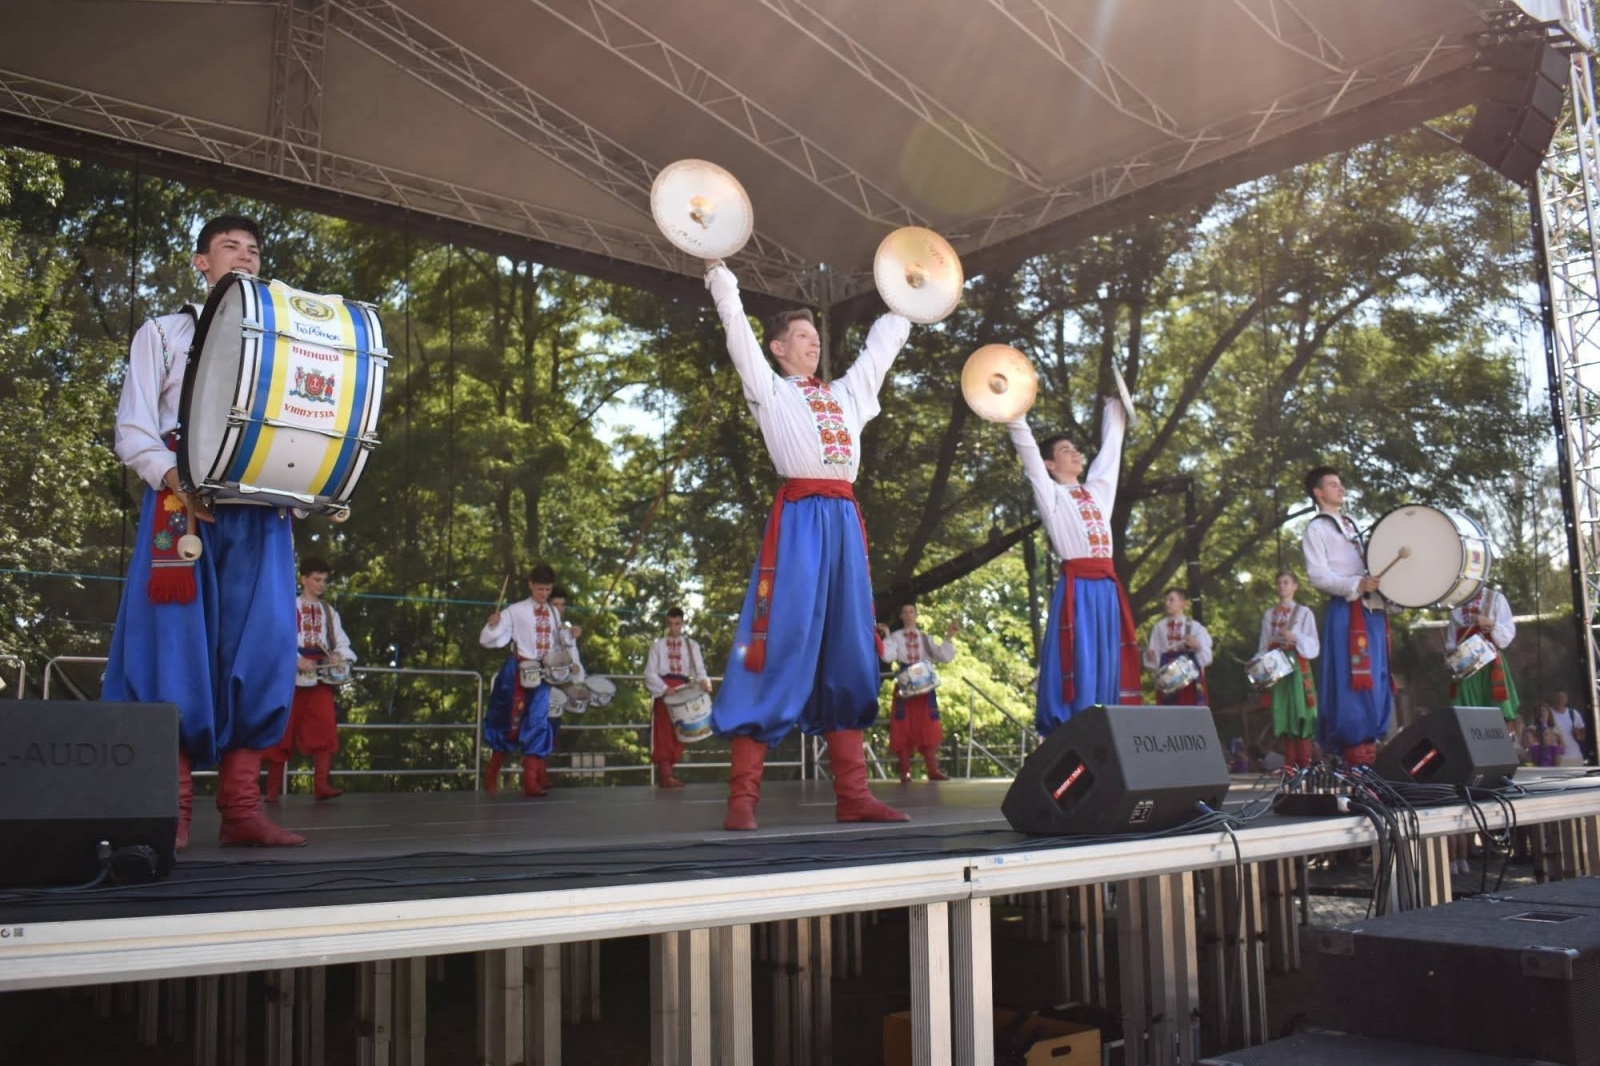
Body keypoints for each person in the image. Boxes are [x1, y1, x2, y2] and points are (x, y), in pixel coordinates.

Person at [102, 214, 304, 849]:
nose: (243, 258)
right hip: (180, 504)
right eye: (228, 248)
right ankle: (174, 809)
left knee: (265, 645)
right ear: (200, 262)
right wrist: (173, 478)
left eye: (252, 250)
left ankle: (242, 809)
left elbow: (310, 429)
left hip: (260, 505)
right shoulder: (161, 334)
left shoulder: (287, 344)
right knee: (173, 647)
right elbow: (133, 428)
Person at [703, 257, 911, 831]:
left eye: (816, 337)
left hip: (844, 519)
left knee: (849, 647)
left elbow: (880, 352)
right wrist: (718, 270)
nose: (813, 345)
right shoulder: (770, 391)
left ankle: (854, 793)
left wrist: (908, 299)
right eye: (801, 337)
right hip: (799, 521)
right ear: (777, 349)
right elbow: (736, 333)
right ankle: (742, 796)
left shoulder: (846, 397)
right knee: (776, 640)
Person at [1006, 399, 1142, 735]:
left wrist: (1116, 410)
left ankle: (1105, 730)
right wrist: (1013, 415)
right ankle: (1075, 731)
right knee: (1080, 661)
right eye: (1066, 450)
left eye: (1075, 448)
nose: (1075, 452)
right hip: (1079, 588)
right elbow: (1029, 457)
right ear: (1051, 463)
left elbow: (1111, 452)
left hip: (1106, 589)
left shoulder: (1097, 492)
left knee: (1106, 661)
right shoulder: (1051, 495)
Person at [1302, 465, 1393, 767]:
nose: (1340, 489)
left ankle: (1371, 753)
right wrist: (1356, 584)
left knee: (1377, 677)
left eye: (1340, 484)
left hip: (1372, 608)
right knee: (1354, 680)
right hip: (1348, 608)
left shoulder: (1352, 526)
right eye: (1332, 485)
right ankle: (1354, 761)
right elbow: (1318, 576)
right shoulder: (1317, 529)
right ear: (1318, 492)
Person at [480, 565, 582, 797]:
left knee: (538, 721)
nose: (544, 594)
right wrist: (493, 623)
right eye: (540, 589)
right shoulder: (515, 611)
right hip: (517, 671)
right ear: (530, 585)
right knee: (507, 721)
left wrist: (570, 636)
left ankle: (530, 781)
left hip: (543, 674)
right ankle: (492, 772)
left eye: (547, 590)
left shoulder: (554, 612)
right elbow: (488, 639)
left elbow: (558, 641)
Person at [264, 557, 354, 802]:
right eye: (316, 579)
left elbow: (343, 643)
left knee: (325, 726)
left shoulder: (329, 611)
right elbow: (277, 637)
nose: (321, 584)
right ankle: (271, 791)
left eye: (324, 580)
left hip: (320, 678)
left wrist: (337, 655)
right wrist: (294, 658)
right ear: (303, 579)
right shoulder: (287, 607)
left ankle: (321, 785)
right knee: (282, 730)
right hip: (288, 677)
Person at [877, 603, 958, 782]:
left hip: (924, 686)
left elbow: (942, 656)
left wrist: (949, 637)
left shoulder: (924, 637)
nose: (908, 615)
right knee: (903, 723)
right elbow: (888, 656)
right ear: (901, 616)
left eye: (911, 611)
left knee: (927, 724)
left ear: (916, 615)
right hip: (906, 685)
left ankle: (932, 770)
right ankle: (905, 771)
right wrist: (888, 635)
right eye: (904, 612)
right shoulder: (897, 637)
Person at [643, 607, 712, 788]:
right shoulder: (657, 646)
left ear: (682, 623)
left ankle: (669, 773)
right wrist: (665, 688)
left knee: (682, 732)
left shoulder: (692, 645)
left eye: (677, 624)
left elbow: (700, 671)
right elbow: (650, 673)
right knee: (663, 733)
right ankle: (665, 776)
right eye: (671, 624)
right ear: (667, 623)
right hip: (665, 693)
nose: (674, 628)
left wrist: (704, 682)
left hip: (683, 691)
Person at [1257, 570, 1320, 769]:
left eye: (1286, 582)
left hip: (1297, 664)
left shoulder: (1304, 612)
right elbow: (1263, 643)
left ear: (1295, 586)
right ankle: (1289, 766)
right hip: (1277, 665)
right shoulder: (1270, 614)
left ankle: (1304, 764)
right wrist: (1257, 666)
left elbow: (1313, 643)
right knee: (1282, 713)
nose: (1282, 586)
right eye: (1279, 583)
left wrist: (1295, 637)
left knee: (1301, 711)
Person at [1445, 586, 1519, 730]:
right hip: (1465, 661)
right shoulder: (1457, 603)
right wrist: (1451, 654)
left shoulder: (1495, 599)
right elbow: (1451, 639)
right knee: (1467, 712)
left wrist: (1490, 623)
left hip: (1489, 660)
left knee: (1495, 706)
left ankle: (1499, 736)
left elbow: (1507, 634)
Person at [1144, 587, 1212, 706]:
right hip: (1167, 681)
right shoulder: (1159, 627)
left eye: (1171, 600)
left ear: (1183, 603)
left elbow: (1207, 657)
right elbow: (1154, 661)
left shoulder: (1196, 627)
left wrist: (1197, 645)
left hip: (1189, 680)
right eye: (1166, 600)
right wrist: (1150, 656)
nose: (1167, 603)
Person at [1549, 690, 1588, 768]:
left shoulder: (1573, 713)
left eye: (1562, 697)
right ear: (1553, 699)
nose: (1560, 700)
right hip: (1557, 758)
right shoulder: (1549, 714)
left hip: (1575, 756)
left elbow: (1583, 736)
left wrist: (1578, 733)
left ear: (1566, 699)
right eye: (1558, 697)